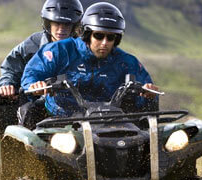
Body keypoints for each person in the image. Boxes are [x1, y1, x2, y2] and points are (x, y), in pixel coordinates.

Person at [21, 2, 159, 119]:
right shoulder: (60, 50)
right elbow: (33, 72)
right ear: (87, 34)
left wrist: (147, 93)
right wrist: (34, 85)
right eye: (99, 36)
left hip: (111, 120)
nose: (104, 43)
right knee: (30, 118)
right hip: (60, 119)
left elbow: (145, 90)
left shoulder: (127, 62)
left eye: (110, 38)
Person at [0, 0, 84, 97]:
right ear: (48, 23)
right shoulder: (32, 45)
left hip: (77, 104)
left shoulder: (85, 48)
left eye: (67, 24)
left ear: (74, 26)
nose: (61, 29)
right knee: (27, 111)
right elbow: (11, 69)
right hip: (36, 101)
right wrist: (6, 84)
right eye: (56, 23)